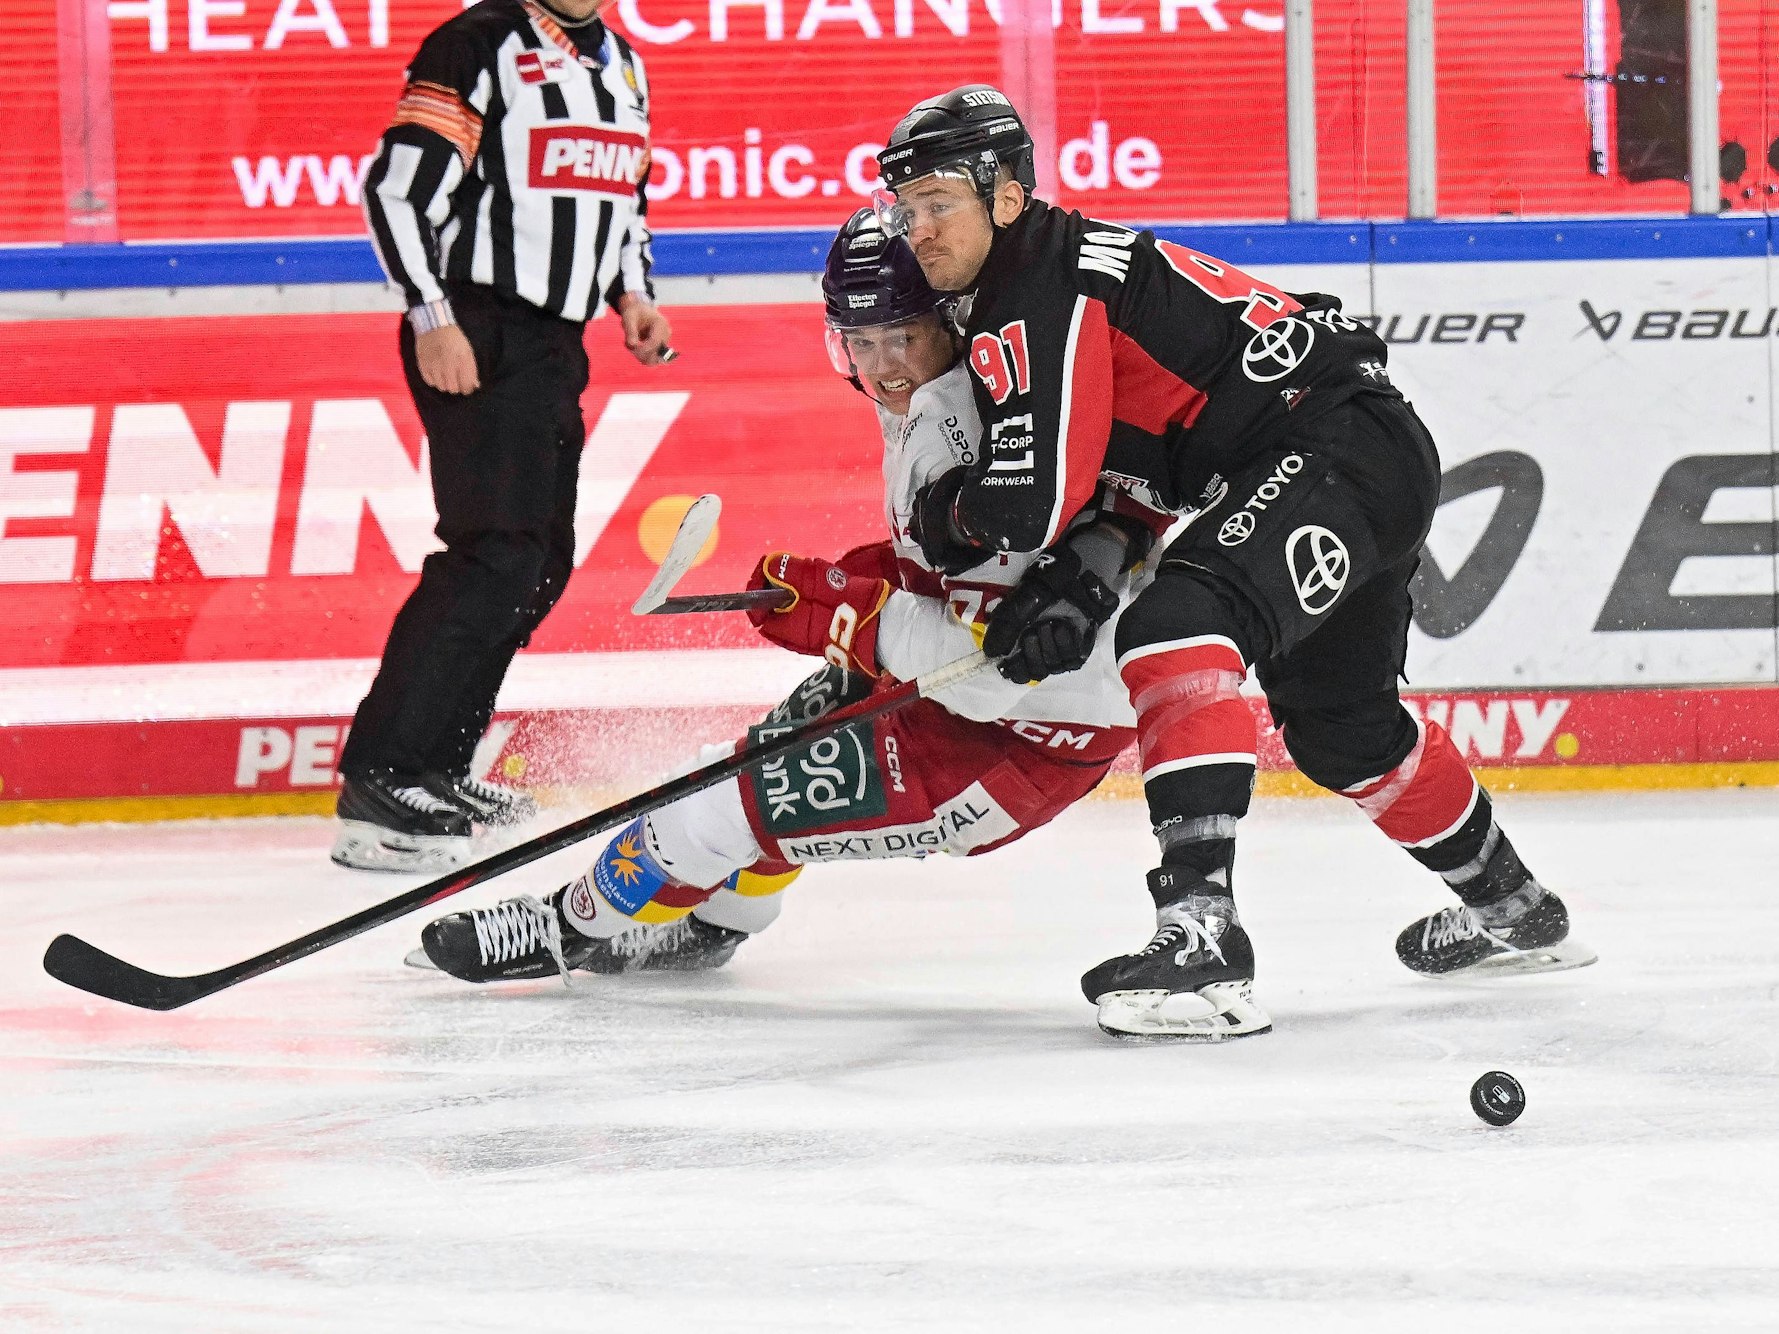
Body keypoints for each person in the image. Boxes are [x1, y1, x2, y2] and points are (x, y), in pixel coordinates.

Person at [873, 84, 1595, 1039]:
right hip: (1350, 450)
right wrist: (1090, 565)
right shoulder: (1046, 271)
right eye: (906, 207)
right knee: (1344, 730)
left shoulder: (1030, 296)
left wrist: (938, 512)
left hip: (1328, 452)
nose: (918, 229)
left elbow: (1025, 504)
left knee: (1176, 625)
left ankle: (1200, 938)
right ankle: (1515, 910)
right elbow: (1155, 447)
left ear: (1006, 195)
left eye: (938, 203)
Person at [412, 208, 1163, 984]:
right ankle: (722, 919)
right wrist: (862, 580)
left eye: (902, 335)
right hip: (1002, 714)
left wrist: (841, 611)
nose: (885, 365)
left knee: (715, 794)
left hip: (1013, 743)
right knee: (773, 750)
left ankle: (564, 930)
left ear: (951, 320)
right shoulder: (941, 394)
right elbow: (953, 577)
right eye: (861, 341)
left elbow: (986, 665)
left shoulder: (975, 432)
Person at [335, 0, 674, 873]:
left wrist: (632, 294)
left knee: (537, 562)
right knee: (494, 551)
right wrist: (431, 314)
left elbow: (620, 201)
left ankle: (438, 765)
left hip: (556, 340)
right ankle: (383, 779)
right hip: (476, 322)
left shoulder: (624, 66)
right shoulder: (478, 40)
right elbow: (397, 189)